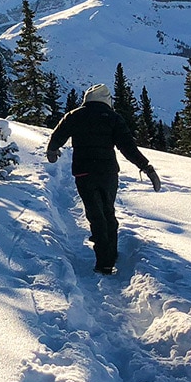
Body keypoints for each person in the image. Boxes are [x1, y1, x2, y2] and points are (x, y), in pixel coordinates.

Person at [45, 83, 161, 275]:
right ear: (107, 100)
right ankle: (110, 254)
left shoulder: (75, 115)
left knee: (95, 214)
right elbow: (128, 148)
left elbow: (57, 135)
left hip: (84, 173)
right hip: (108, 173)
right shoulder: (113, 118)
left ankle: (104, 261)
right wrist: (147, 168)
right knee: (108, 211)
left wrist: (52, 150)